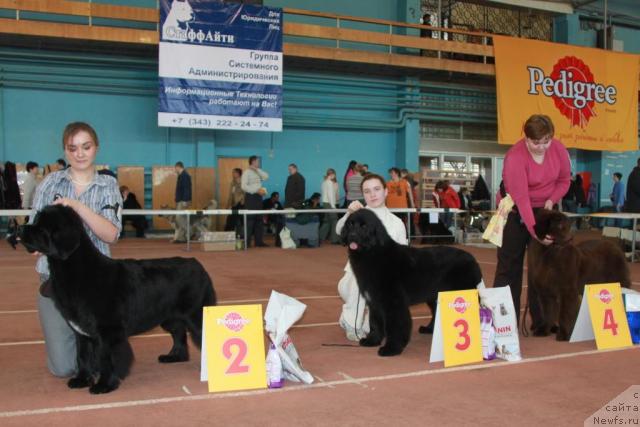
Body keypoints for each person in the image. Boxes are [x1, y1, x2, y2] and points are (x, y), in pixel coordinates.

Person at [30, 121, 122, 377]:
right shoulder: (49, 183)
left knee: (97, 358)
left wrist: (75, 207)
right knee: (64, 368)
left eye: (86, 146)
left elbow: (111, 234)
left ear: (96, 148)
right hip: (56, 280)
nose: (80, 153)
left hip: (97, 282)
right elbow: (35, 234)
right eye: (73, 148)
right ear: (65, 150)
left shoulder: (109, 186)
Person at [493, 114, 571, 329]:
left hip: (544, 207)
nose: (541, 147)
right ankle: (503, 323)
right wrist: (536, 233)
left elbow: (564, 181)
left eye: (546, 140)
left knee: (544, 268)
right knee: (509, 267)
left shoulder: (559, 150)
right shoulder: (514, 157)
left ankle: (543, 321)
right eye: (535, 142)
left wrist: (551, 200)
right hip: (516, 209)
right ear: (525, 138)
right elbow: (522, 199)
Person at [335, 173, 407, 341]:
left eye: (376, 189)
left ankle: (364, 319)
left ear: (386, 191)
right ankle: (351, 322)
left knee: (373, 327)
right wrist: (348, 214)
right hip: (352, 283)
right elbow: (339, 230)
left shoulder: (396, 223)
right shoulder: (358, 215)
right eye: (367, 191)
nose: (372, 194)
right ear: (363, 195)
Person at [241, 155, 269, 247]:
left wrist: (257, 170)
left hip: (259, 198)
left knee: (259, 220)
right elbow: (243, 186)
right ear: (253, 162)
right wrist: (255, 190)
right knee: (250, 220)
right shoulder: (246, 172)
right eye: (257, 161)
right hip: (250, 197)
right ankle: (247, 243)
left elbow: (266, 177)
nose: (259, 163)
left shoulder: (258, 171)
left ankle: (259, 242)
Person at [386, 167, 414, 232]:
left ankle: (404, 238)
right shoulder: (387, 183)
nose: (391, 174)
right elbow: (385, 195)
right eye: (390, 173)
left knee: (402, 224)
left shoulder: (404, 182)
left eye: (392, 173)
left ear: (397, 173)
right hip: (391, 207)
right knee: (392, 224)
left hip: (402, 207)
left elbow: (410, 193)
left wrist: (412, 203)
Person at [319, 168, 340, 244]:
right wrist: (333, 206)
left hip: (325, 203)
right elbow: (330, 195)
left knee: (327, 221)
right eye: (334, 175)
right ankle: (334, 240)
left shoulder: (324, 182)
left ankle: (320, 237)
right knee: (335, 220)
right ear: (332, 174)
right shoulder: (330, 183)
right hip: (329, 204)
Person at [173, 161, 192, 243]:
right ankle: (181, 238)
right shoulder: (181, 175)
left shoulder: (184, 176)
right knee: (180, 219)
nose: (175, 169)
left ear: (178, 167)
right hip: (180, 200)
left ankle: (190, 232)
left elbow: (186, 189)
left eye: (175, 168)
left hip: (183, 200)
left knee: (179, 219)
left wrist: (185, 200)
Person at [224, 168, 244, 236]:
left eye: (234, 172)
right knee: (230, 221)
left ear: (238, 174)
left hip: (241, 205)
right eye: (232, 172)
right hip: (234, 205)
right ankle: (227, 236)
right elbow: (230, 195)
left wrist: (241, 201)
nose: (232, 174)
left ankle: (241, 237)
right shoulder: (233, 182)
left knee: (240, 222)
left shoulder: (243, 182)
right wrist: (227, 205)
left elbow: (245, 194)